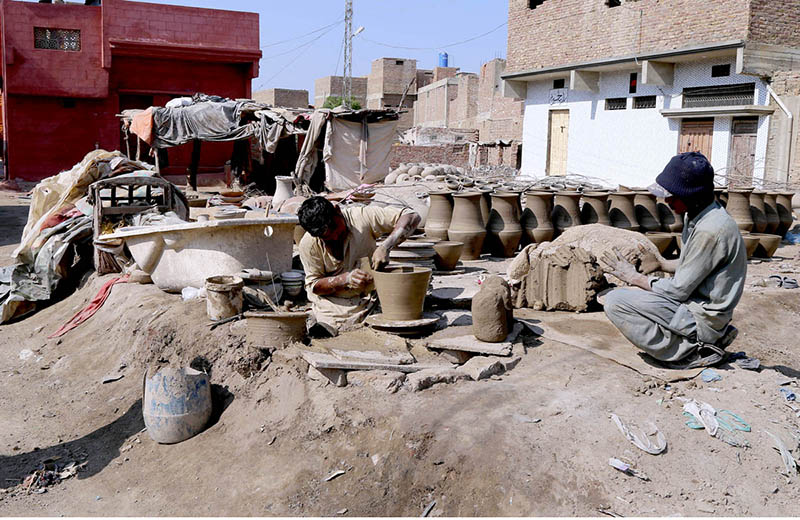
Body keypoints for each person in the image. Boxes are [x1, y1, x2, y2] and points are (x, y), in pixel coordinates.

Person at [602, 152, 746, 369]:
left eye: (673, 196)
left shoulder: (711, 230)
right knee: (632, 296)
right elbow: (695, 265)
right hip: (695, 305)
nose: (667, 201)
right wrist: (661, 264)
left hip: (703, 315)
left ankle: (692, 351)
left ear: (691, 195)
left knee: (616, 302)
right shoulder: (699, 216)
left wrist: (633, 277)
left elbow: (678, 290)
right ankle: (703, 339)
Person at [297, 196, 421, 336]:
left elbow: (412, 216)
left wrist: (386, 245)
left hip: (371, 295)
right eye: (327, 238)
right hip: (333, 303)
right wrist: (345, 279)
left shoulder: (361, 217)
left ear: (337, 211)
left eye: (335, 229)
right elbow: (315, 286)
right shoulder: (308, 244)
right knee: (329, 327)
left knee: (400, 309)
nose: (335, 237)